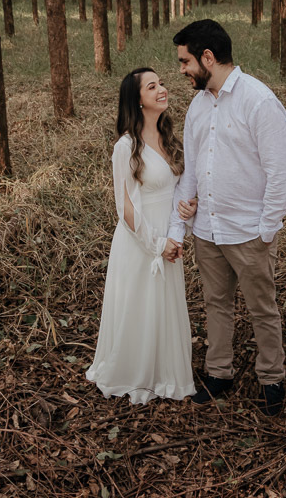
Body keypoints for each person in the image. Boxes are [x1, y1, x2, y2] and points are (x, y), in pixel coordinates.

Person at [167, 20, 286, 416]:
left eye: (186, 61)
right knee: (216, 304)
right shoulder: (198, 105)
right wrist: (184, 213)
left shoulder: (259, 101)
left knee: (262, 307)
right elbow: (191, 167)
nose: (182, 70)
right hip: (207, 229)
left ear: (208, 57)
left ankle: (271, 378)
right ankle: (219, 374)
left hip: (249, 232)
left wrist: (266, 229)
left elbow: (281, 172)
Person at [86, 68, 198, 405]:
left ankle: (165, 374)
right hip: (140, 242)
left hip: (169, 236)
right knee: (140, 308)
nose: (162, 89)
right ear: (137, 100)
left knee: (164, 306)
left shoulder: (168, 137)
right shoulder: (126, 147)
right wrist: (157, 244)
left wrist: (186, 212)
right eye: (153, 87)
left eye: (161, 83)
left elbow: (177, 188)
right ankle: (136, 373)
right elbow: (126, 209)